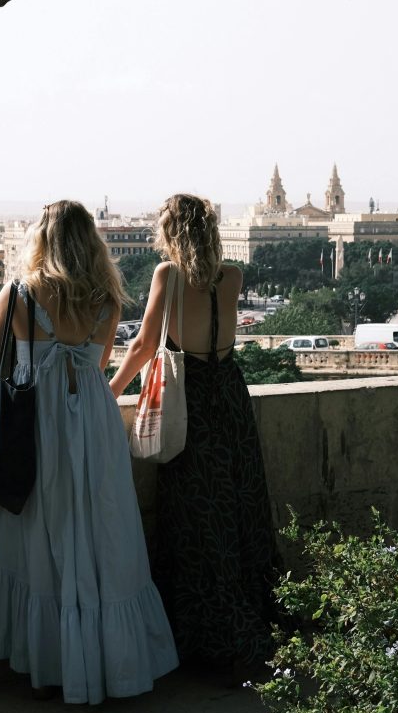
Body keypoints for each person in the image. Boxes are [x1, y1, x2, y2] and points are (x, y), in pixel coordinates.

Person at [0, 200, 178, 705]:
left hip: (37, 424)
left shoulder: (20, 293)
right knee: (105, 533)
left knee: (42, 540)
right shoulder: (107, 297)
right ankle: (114, 665)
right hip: (94, 421)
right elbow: (100, 362)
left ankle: (52, 666)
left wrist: (3, 413)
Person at [109, 194, 277, 679]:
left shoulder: (168, 276)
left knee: (195, 516)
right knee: (239, 507)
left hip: (193, 402)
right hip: (230, 394)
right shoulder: (233, 276)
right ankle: (250, 624)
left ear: (172, 232)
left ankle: (202, 637)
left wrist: (111, 389)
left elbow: (143, 344)